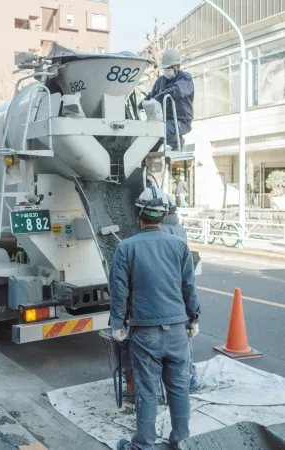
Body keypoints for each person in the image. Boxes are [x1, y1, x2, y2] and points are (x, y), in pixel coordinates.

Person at [109, 186, 200, 450]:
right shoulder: (179, 246)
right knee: (179, 389)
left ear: (139, 215)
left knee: (147, 392)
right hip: (177, 331)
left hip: (145, 332)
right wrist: (193, 319)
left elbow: (118, 291)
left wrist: (117, 325)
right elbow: (189, 288)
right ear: (163, 217)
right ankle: (181, 441)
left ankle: (143, 445)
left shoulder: (125, 248)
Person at [162, 194, 199, 389]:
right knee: (183, 335)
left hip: (163, 292)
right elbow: (188, 281)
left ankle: (165, 376)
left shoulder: (161, 230)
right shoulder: (179, 229)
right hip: (179, 292)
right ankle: (188, 374)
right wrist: (194, 313)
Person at [139, 49, 194, 151]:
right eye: (164, 68)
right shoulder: (161, 80)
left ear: (177, 67)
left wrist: (159, 97)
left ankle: (177, 141)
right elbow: (151, 96)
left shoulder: (185, 78)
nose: (166, 71)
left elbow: (177, 91)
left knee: (159, 131)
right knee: (150, 139)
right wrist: (141, 104)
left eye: (168, 68)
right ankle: (147, 159)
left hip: (181, 121)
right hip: (163, 121)